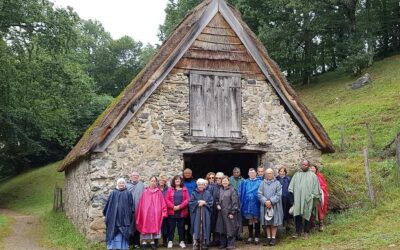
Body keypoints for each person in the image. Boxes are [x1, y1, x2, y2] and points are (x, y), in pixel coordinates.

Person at [288, 160, 321, 239]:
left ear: (308, 166)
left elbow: (316, 187)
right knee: (297, 215)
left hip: (308, 199)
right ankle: (297, 232)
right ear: (301, 165)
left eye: (306, 165)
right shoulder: (296, 175)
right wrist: (293, 199)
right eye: (303, 164)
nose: (304, 166)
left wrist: (314, 195)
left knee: (307, 215)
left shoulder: (313, 176)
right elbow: (291, 187)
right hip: (298, 199)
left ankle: (306, 232)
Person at [136, 176, 168, 250]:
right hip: (146, 213)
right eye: (152, 181)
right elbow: (141, 203)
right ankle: (143, 242)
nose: (153, 182)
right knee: (145, 225)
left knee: (154, 226)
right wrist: (141, 212)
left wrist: (163, 211)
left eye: (154, 181)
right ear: (149, 181)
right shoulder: (145, 192)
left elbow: (162, 202)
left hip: (155, 214)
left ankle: (152, 241)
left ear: (156, 182)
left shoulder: (158, 192)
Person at [103, 178, 134, 250]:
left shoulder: (128, 193)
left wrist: (129, 216)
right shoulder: (113, 193)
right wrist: (107, 216)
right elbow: (109, 206)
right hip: (114, 219)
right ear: (117, 184)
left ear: (125, 184)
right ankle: (113, 247)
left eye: (123, 183)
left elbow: (131, 206)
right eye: (120, 183)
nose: (121, 184)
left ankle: (123, 247)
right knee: (114, 232)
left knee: (123, 233)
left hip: (124, 219)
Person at [258, 168, 283, 246]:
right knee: (267, 223)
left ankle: (273, 238)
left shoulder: (277, 183)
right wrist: (265, 201)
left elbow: (279, 194)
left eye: (270, 173)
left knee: (274, 222)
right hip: (265, 205)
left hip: (274, 205)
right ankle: (268, 238)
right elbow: (259, 193)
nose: (269, 175)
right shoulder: (262, 183)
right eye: (267, 173)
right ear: (265, 174)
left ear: (273, 174)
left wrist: (271, 201)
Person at [215, 176, 240, 250]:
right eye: (223, 181)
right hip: (221, 212)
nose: (225, 182)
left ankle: (231, 244)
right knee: (221, 228)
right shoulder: (220, 190)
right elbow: (216, 199)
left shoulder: (232, 190)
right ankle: (223, 243)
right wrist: (217, 205)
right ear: (221, 182)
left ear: (229, 182)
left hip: (229, 213)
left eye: (226, 181)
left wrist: (232, 212)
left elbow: (235, 202)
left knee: (230, 228)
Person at [165, 175, 190, 249]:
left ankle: (181, 241)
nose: (177, 181)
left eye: (178, 179)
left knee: (181, 228)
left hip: (182, 212)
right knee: (171, 227)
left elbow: (187, 200)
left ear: (181, 181)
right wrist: (173, 207)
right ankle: (170, 241)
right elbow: (167, 200)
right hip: (172, 212)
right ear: (174, 181)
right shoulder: (170, 189)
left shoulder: (184, 189)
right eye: (176, 180)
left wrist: (179, 207)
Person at [189, 178, 214, 250]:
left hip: (205, 213)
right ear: (197, 185)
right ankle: (196, 243)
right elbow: (190, 203)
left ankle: (204, 243)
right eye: (199, 184)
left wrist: (205, 203)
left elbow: (211, 202)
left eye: (202, 184)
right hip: (196, 213)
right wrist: (197, 202)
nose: (200, 186)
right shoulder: (194, 193)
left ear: (204, 185)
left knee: (205, 226)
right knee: (197, 227)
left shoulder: (208, 193)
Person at [239, 168, 262, 245]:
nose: (252, 174)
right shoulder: (245, 182)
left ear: (256, 173)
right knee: (250, 220)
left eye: (253, 173)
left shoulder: (260, 182)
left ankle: (257, 236)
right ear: (248, 174)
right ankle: (250, 236)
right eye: (250, 173)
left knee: (256, 220)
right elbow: (241, 193)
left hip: (256, 203)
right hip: (247, 204)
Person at [126, 172, 145, 249]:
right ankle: (129, 243)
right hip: (129, 210)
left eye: (137, 176)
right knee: (129, 226)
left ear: (138, 177)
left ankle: (136, 243)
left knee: (137, 226)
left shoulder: (141, 185)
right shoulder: (127, 185)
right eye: (134, 175)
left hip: (139, 209)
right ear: (131, 177)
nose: (135, 177)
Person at [310, 164, 329, 231]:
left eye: (313, 168)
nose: (312, 169)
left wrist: (319, 190)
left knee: (319, 209)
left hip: (319, 196)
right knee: (311, 210)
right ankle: (313, 225)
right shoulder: (307, 177)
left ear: (316, 169)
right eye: (311, 168)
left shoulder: (319, 176)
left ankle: (321, 224)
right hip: (310, 197)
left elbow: (324, 185)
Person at [276, 166, 293, 232]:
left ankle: (288, 225)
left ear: (285, 172)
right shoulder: (276, 179)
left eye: (283, 171)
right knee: (280, 211)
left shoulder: (288, 179)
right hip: (280, 199)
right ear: (279, 172)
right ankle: (281, 226)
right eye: (280, 171)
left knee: (287, 211)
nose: (282, 173)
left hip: (288, 199)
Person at [209, 172, 224, 246]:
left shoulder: (224, 186)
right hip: (214, 209)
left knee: (222, 225)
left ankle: (222, 241)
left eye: (219, 178)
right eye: (216, 178)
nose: (217, 179)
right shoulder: (212, 186)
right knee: (214, 225)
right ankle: (215, 240)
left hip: (223, 209)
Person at [183, 168, 197, 244]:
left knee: (191, 223)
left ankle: (190, 238)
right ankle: (182, 238)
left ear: (191, 174)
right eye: (186, 173)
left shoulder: (195, 182)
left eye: (189, 173)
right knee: (183, 223)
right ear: (184, 174)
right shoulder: (181, 182)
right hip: (183, 206)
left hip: (192, 206)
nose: (187, 174)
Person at [159, 176, 169, 247]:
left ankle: (165, 241)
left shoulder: (168, 189)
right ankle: (155, 241)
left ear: (165, 181)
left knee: (165, 226)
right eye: (160, 180)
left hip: (165, 209)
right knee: (157, 226)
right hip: (157, 210)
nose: (161, 181)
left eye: (163, 180)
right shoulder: (156, 189)